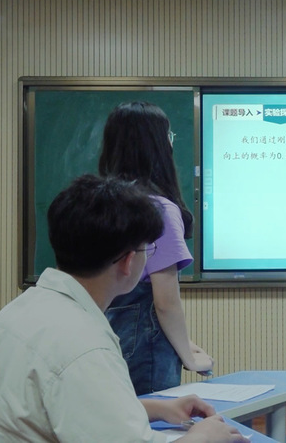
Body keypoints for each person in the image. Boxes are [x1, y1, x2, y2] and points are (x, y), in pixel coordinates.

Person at [0, 175, 247, 442]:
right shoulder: (85, 346)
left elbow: (63, 403)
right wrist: (204, 436)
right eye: (147, 250)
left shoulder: (21, 310)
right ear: (127, 262)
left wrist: (155, 408)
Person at [99, 101, 213, 394]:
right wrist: (189, 358)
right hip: (146, 349)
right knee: (155, 420)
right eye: (168, 136)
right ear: (157, 146)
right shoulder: (159, 209)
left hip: (105, 340)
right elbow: (165, 302)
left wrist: (184, 342)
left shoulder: (98, 205)